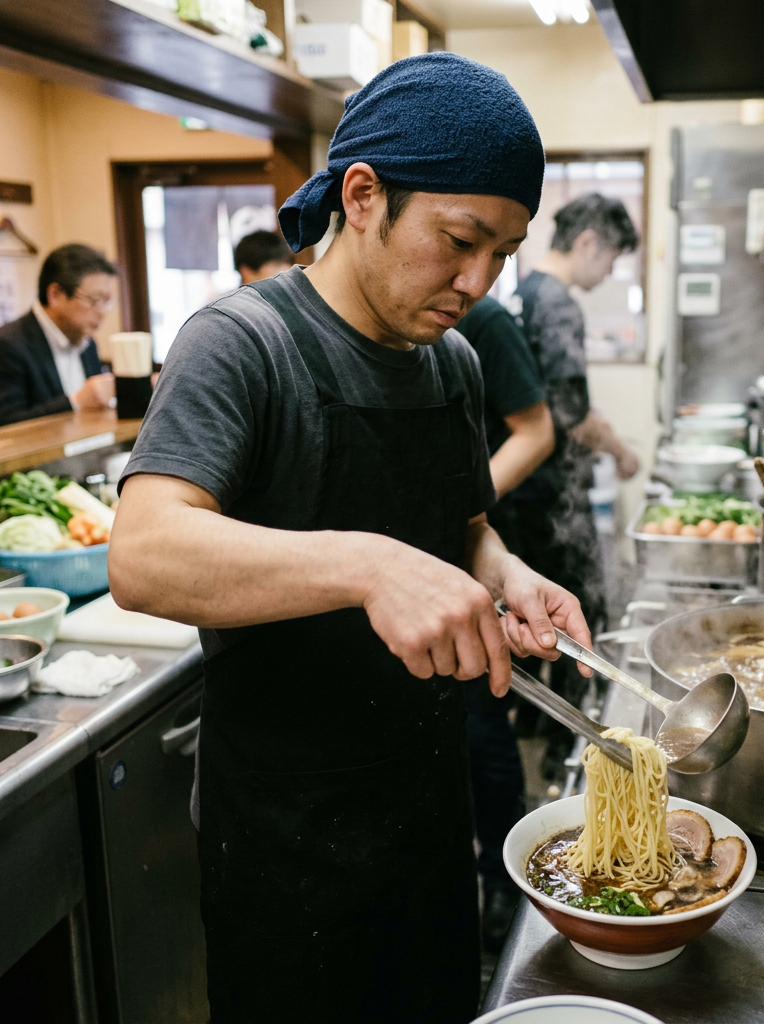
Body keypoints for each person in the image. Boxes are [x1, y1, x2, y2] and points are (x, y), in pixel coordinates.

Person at [109, 54, 593, 1024]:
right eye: (459, 240)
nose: (477, 280)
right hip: (284, 849)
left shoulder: (450, 362)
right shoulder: (242, 344)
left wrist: (508, 574)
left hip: (422, 818)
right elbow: (143, 553)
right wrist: (367, 564)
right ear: (363, 196)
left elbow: (462, 530)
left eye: (502, 252)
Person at [503, 193, 641, 778]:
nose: (608, 271)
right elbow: (572, 413)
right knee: (575, 614)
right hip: (548, 493)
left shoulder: (524, 292)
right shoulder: (559, 305)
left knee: (534, 620)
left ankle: (541, 732)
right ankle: (574, 751)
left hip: (519, 497)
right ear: (588, 242)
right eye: (610, 258)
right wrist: (622, 451)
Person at [456, 295, 553, 952]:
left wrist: (464, 515)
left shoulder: (474, 329)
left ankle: (499, 880)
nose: (477, 276)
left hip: (476, 557)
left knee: (484, 721)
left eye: (500, 251)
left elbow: (538, 430)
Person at [0, 244, 117, 425]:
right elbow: (7, 422)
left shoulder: (87, 342)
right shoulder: (9, 344)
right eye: (94, 301)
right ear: (55, 294)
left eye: (106, 302)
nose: (102, 312)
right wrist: (75, 402)